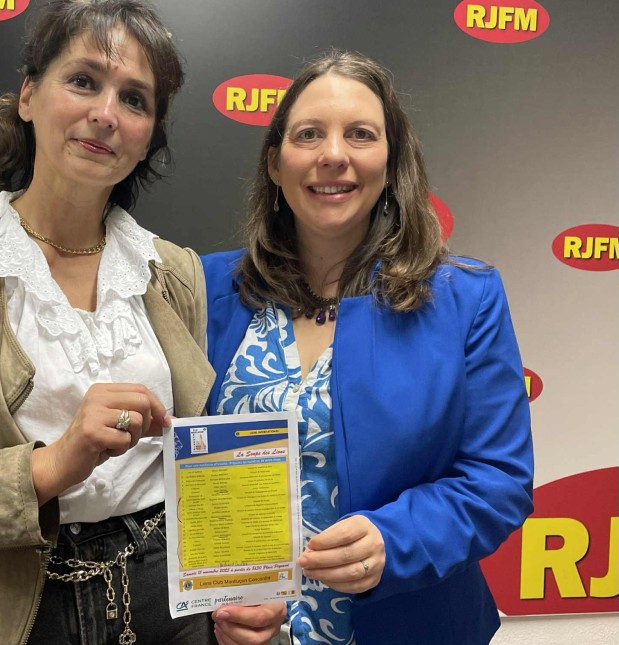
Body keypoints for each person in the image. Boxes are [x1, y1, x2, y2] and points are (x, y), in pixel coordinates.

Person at [0, 1, 282, 643]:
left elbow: (197, 466)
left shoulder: (172, 272)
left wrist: (241, 589)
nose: (105, 113)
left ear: (148, 135)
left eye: (134, 99)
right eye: (82, 81)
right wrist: (51, 467)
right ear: (27, 95)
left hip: (166, 604)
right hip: (0, 608)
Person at [202, 50, 534, 645]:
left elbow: (498, 479)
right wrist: (212, 607)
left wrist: (395, 540)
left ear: (391, 160)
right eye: (309, 134)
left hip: (411, 626)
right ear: (275, 163)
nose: (334, 154)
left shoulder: (465, 299)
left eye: (360, 134)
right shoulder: (204, 289)